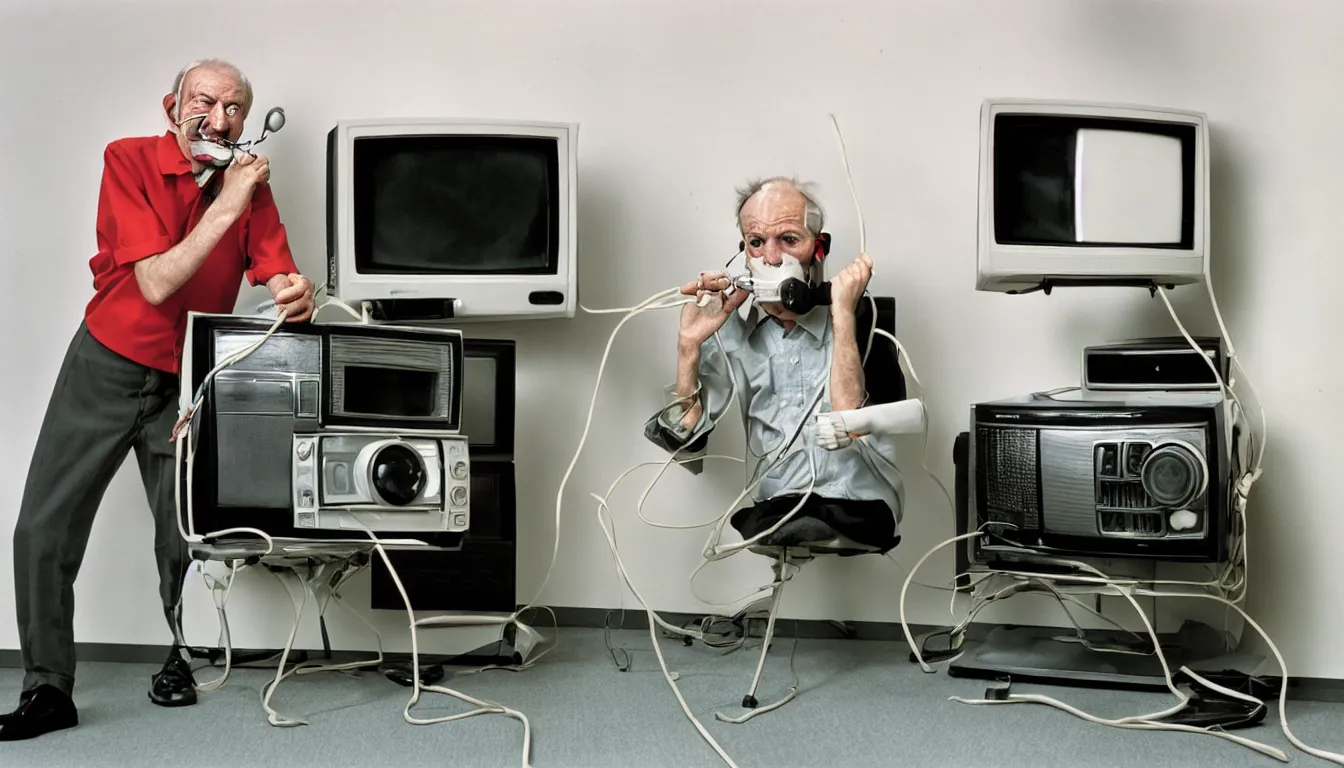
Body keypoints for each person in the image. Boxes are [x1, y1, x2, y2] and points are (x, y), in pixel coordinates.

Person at [1, 58, 315, 742]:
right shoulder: (129, 161)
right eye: (205, 101)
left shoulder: (250, 185)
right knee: (42, 529)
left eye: (234, 107)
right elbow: (154, 283)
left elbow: (276, 267)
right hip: (108, 362)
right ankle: (47, 687)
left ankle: (182, 656)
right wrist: (228, 204)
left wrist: (294, 291)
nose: (219, 117)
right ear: (172, 105)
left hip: (189, 379)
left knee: (184, 530)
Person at [643, 177, 907, 553]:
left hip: (859, 506)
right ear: (744, 254)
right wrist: (689, 349)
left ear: (818, 249)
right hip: (779, 505)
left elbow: (850, 423)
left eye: (788, 239)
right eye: (756, 242)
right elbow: (687, 449)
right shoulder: (734, 334)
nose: (770, 258)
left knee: (832, 514)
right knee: (772, 520)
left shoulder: (864, 320)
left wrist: (844, 314)